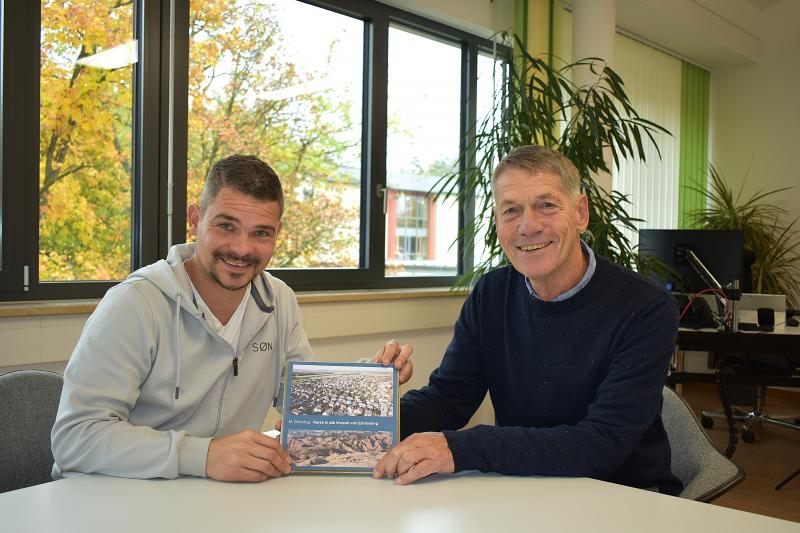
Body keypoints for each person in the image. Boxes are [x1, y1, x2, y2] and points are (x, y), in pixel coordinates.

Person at [51, 154, 412, 482]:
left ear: (277, 235)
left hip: (221, 500)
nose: (242, 248)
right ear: (196, 219)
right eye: (226, 226)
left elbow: (301, 404)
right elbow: (75, 437)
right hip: (120, 498)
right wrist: (203, 455)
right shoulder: (136, 303)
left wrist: (371, 381)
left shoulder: (279, 301)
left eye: (260, 233)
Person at [374, 145, 682, 495]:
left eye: (546, 205)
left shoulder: (645, 307)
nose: (528, 226)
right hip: (525, 490)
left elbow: (602, 442)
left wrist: (460, 448)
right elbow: (447, 400)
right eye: (511, 211)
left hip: (624, 499)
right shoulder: (492, 294)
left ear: (580, 213)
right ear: (497, 223)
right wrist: (369, 412)